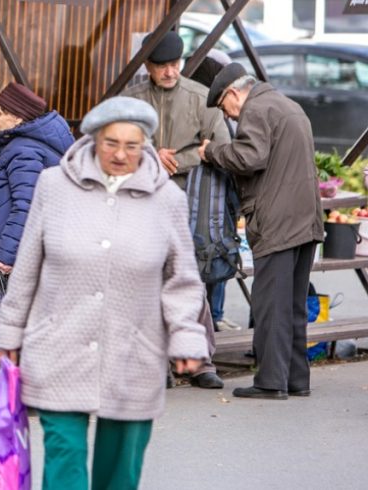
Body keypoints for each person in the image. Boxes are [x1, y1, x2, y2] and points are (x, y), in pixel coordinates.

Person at [0, 96, 209, 490]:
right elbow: (27, 267)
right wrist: (9, 331)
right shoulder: (53, 185)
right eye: (112, 143)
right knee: (64, 457)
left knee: (120, 470)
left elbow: (182, 278)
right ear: (93, 140)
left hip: (134, 351)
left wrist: (187, 338)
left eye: (133, 145)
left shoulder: (168, 200)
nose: (122, 155)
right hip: (59, 345)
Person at [199, 62, 325, 399]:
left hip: (277, 223)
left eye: (224, 107)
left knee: (270, 304)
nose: (229, 115)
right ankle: (297, 379)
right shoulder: (288, 105)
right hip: (305, 219)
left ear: (234, 93)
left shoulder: (256, 109)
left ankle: (270, 381)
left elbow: (249, 157)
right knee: (294, 304)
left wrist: (212, 152)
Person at [124, 30, 229, 389]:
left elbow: (222, 147)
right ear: (148, 67)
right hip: (139, 204)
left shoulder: (201, 98)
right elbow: (109, 148)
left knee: (189, 279)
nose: (169, 72)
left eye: (174, 64)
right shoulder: (131, 100)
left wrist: (179, 158)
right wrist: (149, 154)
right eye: (161, 66)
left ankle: (199, 362)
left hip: (188, 203)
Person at [0, 82, 73, 280]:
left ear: (18, 117)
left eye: (0, 113)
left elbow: (27, 206)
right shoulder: (26, 146)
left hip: (15, 264)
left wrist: (5, 256)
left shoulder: (24, 151)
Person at [188, 49, 243, 333]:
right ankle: (214, 317)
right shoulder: (211, 105)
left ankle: (211, 317)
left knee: (209, 247)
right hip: (212, 188)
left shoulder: (194, 97)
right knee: (215, 245)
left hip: (204, 188)